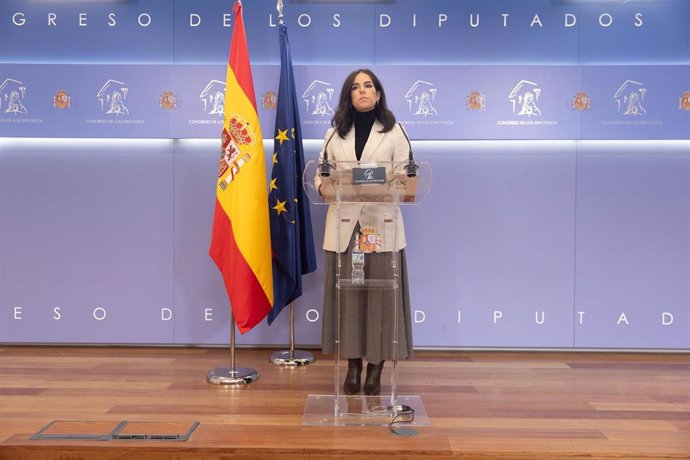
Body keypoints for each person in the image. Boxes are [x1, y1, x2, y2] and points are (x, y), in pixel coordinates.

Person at [315, 69, 414, 396]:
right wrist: (325, 185)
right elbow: (320, 173)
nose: (362, 91)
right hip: (345, 228)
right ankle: (353, 365)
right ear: (348, 95)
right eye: (355, 87)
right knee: (350, 296)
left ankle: (376, 368)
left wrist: (375, 185)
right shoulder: (334, 134)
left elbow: (406, 177)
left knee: (380, 298)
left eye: (368, 86)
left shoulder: (395, 132)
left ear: (379, 93)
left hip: (380, 227)